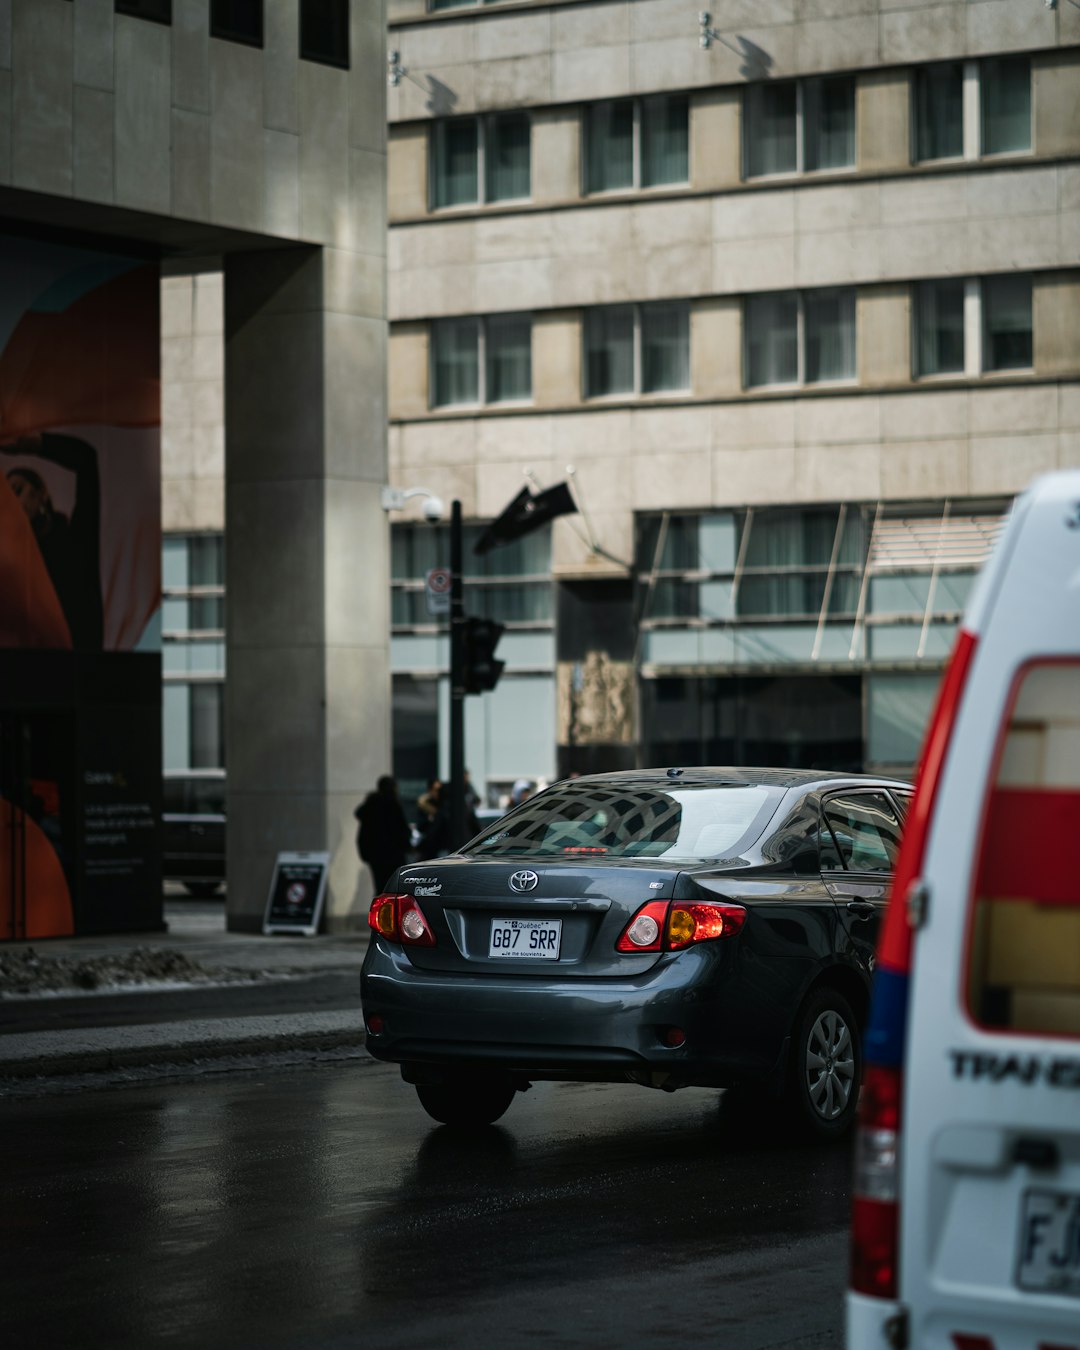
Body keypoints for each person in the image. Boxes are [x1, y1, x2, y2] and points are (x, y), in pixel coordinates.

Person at [3, 432, 104, 650]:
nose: (14, 502)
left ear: (41, 494)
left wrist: (32, 443)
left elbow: (86, 460)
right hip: (31, 673)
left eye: (18, 490)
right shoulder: (14, 565)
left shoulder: (76, 539)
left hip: (81, 669)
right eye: (7, 501)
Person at [354, 776, 412, 893]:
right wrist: (407, 846)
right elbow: (400, 830)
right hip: (393, 854)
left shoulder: (370, 806)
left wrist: (366, 853)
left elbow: (364, 834)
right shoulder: (393, 805)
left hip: (375, 855)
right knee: (395, 887)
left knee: (380, 887)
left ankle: (380, 910)